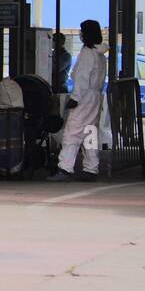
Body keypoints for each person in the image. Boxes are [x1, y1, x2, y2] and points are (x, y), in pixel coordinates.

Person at [49, 19, 106, 183]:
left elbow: (82, 78)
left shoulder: (87, 53)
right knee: (90, 132)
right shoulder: (100, 53)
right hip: (95, 98)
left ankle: (65, 167)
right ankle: (91, 168)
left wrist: (75, 98)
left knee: (72, 131)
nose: (80, 34)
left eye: (82, 31)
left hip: (84, 97)